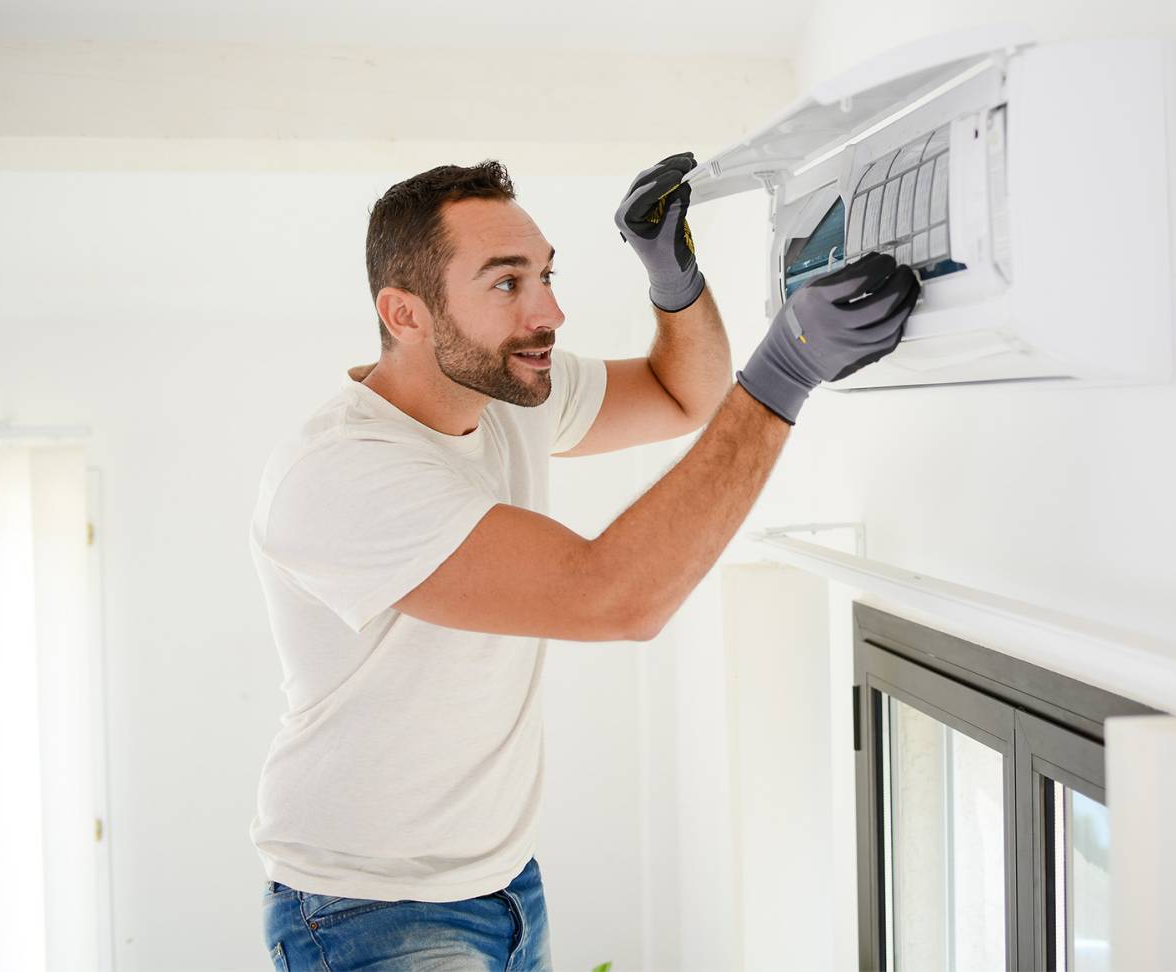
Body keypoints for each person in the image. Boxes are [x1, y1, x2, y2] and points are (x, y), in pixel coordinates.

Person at [251, 154, 919, 970]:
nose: (551, 312)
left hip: (504, 886)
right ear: (406, 313)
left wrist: (673, 279)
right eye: (507, 284)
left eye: (546, 275)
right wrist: (783, 375)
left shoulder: (505, 391)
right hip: (367, 910)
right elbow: (612, 598)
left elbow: (686, 394)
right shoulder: (345, 471)